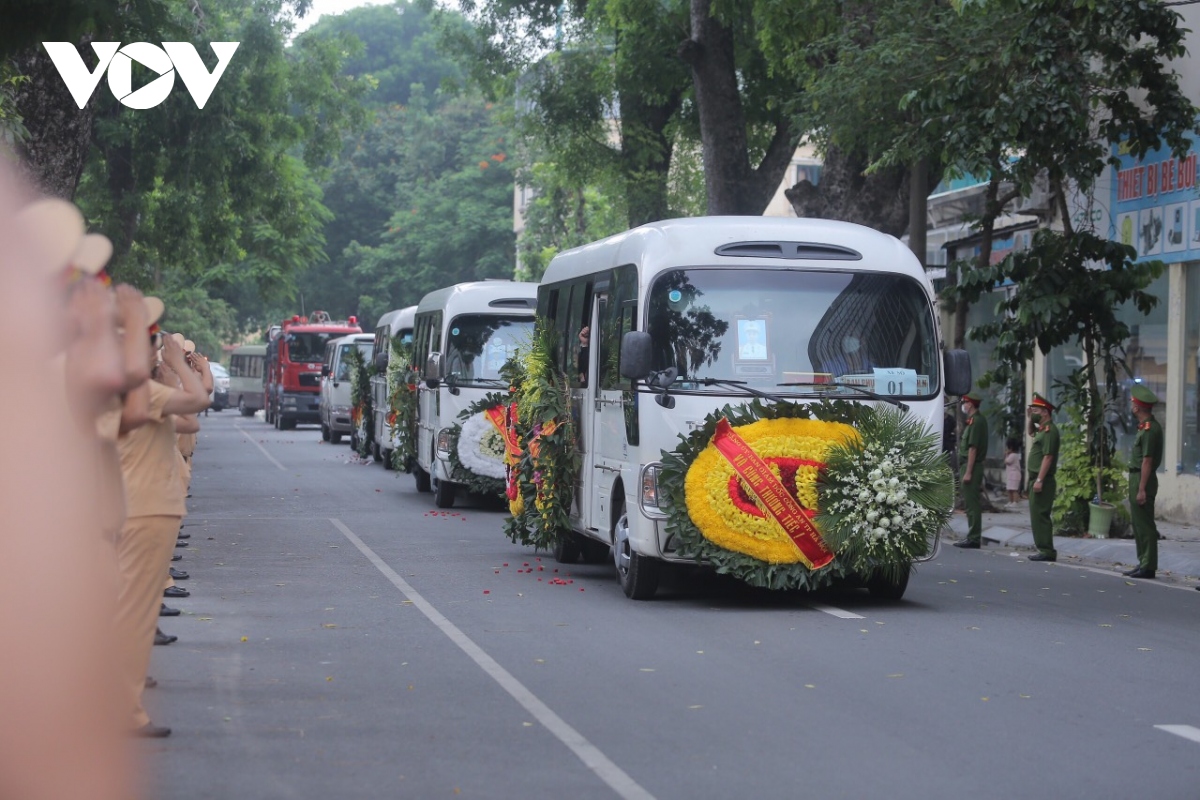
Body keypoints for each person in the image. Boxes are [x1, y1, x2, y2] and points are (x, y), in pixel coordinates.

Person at [1125, 385, 1163, 579]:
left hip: (1143, 480)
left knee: (1145, 525)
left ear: (1138, 407)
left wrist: (1141, 489)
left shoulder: (1149, 430)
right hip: (1137, 477)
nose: (1131, 404)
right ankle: (1143, 562)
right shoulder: (1145, 427)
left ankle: (1148, 565)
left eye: (1133, 402)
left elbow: (1147, 461)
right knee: (1138, 523)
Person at [1026, 393, 1060, 562]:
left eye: (1036, 410)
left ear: (1045, 412)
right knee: (1036, 515)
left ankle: (1047, 550)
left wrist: (1039, 480)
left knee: (1041, 515)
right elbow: (1030, 432)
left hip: (1043, 481)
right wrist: (1029, 418)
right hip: (1035, 479)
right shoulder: (1041, 429)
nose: (1034, 413)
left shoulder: (1050, 431)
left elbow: (1048, 457)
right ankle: (1043, 548)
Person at [953, 391, 988, 549]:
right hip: (968, 465)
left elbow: (973, 449)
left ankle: (974, 537)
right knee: (969, 503)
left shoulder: (976, 422)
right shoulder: (975, 421)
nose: (963, 406)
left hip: (971, 466)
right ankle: (972, 535)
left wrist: (968, 471)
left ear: (971, 404)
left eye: (965, 403)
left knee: (972, 504)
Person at [1004, 438, 1023, 506]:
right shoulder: (1013, 455)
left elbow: (1007, 461)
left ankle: (1015, 502)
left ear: (1011, 448)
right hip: (1011, 475)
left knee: (1014, 489)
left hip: (1014, 475)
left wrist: (1006, 455)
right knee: (1009, 489)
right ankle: (1011, 501)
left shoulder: (1013, 455)